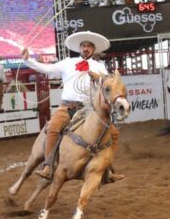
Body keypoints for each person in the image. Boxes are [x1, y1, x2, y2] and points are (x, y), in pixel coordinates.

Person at [21, 31, 123, 183]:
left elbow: (110, 83)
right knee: (53, 128)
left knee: (113, 134)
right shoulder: (67, 62)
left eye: (89, 46)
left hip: (89, 109)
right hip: (67, 107)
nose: (86, 48)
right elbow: (47, 69)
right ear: (79, 48)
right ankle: (48, 165)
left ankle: (107, 170)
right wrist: (28, 60)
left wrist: (99, 78)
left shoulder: (99, 67)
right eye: (83, 46)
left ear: (93, 49)